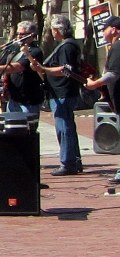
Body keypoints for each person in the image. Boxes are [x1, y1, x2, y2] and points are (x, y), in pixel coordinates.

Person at [28, 15, 82, 176]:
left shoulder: (67, 47)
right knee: (67, 127)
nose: (52, 32)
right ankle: (74, 160)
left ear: (58, 29)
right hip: (60, 92)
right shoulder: (67, 45)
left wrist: (44, 70)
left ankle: (68, 162)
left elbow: (65, 69)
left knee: (63, 128)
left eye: (53, 29)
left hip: (63, 93)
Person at [0, 21, 44, 117]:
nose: (19, 36)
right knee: (11, 128)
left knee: (27, 128)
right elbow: (1, 64)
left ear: (31, 35)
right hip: (13, 98)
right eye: (18, 33)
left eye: (22, 34)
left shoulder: (35, 51)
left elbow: (18, 67)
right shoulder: (14, 48)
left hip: (28, 100)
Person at [85, 16, 120, 184]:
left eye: (104, 28)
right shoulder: (114, 47)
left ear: (114, 29)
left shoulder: (118, 46)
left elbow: (114, 74)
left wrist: (95, 84)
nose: (103, 32)